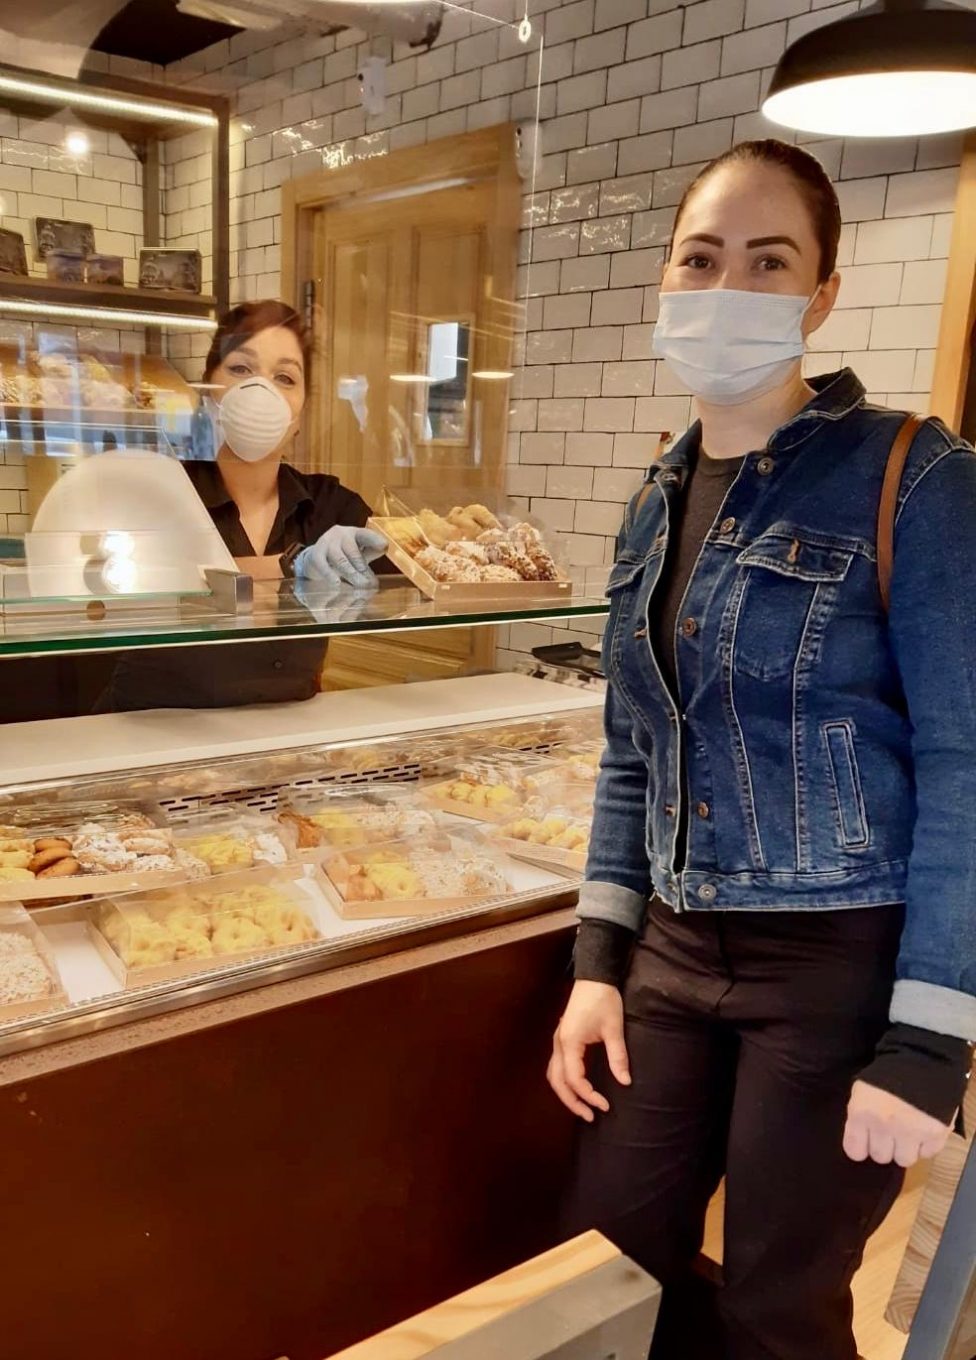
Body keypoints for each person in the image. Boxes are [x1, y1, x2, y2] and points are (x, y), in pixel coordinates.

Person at [547, 139, 975, 1360]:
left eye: (767, 259)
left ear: (819, 294)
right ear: (666, 281)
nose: (727, 285)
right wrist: (596, 960)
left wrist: (930, 1040)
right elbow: (633, 753)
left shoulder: (918, 478)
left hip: (835, 964)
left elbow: (966, 765)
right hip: (671, 956)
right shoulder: (653, 497)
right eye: (701, 256)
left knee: (775, 1305)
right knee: (611, 1260)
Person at [99, 300, 388, 710]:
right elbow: (116, 586)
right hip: (154, 732)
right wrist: (293, 569)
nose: (262, 391)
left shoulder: (329, 505)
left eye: (285, 377)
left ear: (302, 411)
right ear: (209, 390)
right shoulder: (158, 490)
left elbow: (419, 575)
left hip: (281, 740)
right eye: (240, 369)